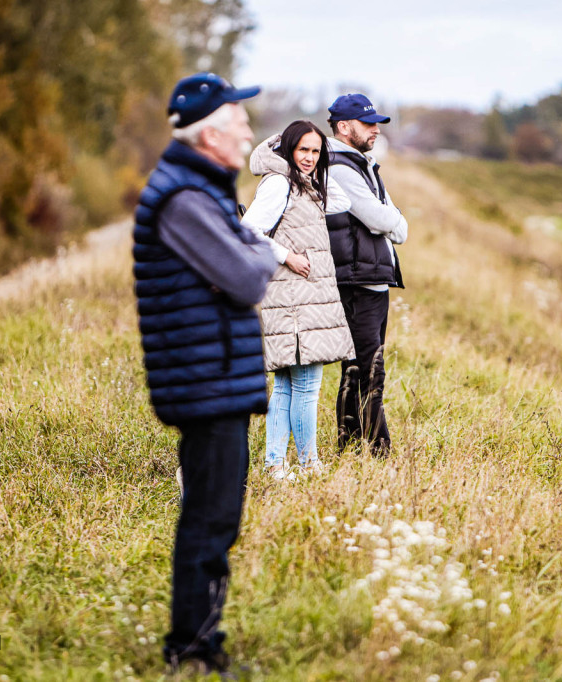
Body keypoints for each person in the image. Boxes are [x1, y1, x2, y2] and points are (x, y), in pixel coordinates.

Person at [132, 72, 276, 677]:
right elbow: (248, 274)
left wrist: (251, 249)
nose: (247, 128)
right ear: (211, 131)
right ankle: (191, 647)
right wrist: (259, 252)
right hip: (205, 381)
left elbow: (244, 255)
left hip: (216, 374)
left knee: (219, 515)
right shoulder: (186, 201)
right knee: (210, 520)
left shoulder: (201, 189)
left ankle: (200, 637)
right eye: (238, 118)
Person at [241, 120, 355, 479]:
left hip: (304, 298)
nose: (309, 157)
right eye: (302, 149)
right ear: (288, 148)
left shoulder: (305, 183)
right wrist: (286, 255)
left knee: (288, 386)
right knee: (306, 386)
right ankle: (309, 465)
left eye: (316, 151)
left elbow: (342, 200)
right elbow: (247, 231)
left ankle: (275, 465)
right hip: (294, 299)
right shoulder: (279, 183)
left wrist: (315, 168)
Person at [325, 94, 408, 456]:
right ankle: (378, 453)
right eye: (368, 123)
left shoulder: (363, 164)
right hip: (357, 283)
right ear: (344, 127)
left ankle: (353, 448)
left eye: (377, 123)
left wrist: (393, 219)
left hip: (371, 281)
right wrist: (393, 219)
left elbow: (398, 228)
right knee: (365, 373)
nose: (376, 129)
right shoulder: (342, 168)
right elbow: (385, 219)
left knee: (362, 372)